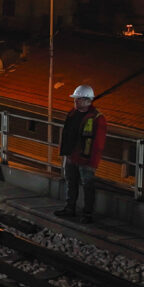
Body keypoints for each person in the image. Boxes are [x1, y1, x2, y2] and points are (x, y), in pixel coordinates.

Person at [55, 85, 107, 224]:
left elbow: (98, 144)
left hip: (86, 159)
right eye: (75, 99)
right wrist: (65, 153)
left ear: (87, 100)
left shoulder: (97, 118)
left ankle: (87, 213)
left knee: (87, 186)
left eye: (78, 99)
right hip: (72, 156)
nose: (75, 102)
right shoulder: (73, 113)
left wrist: (93, 163)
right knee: (71, 182)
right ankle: (69, 208)